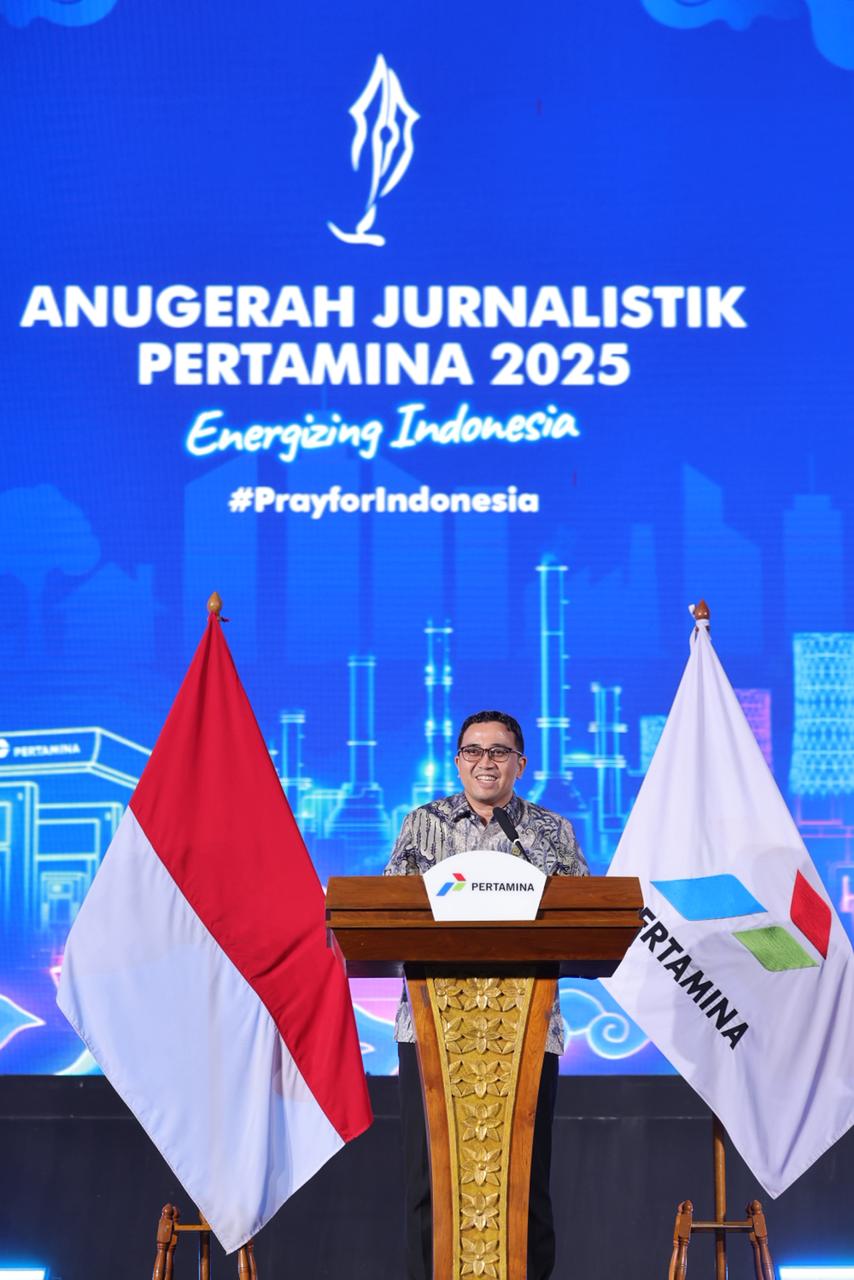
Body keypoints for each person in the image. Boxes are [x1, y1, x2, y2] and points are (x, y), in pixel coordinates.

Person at [384, 709, 588, 1280]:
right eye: (473, 751)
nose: (486, 762)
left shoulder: (550, 830)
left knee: (525, 1177)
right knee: (430, 1177)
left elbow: (585, 912)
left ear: (520, 764)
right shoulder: (423, 824)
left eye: (499, 751)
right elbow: (389, 910)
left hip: (526, 1028)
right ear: (458, 763)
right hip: (431, 1027)